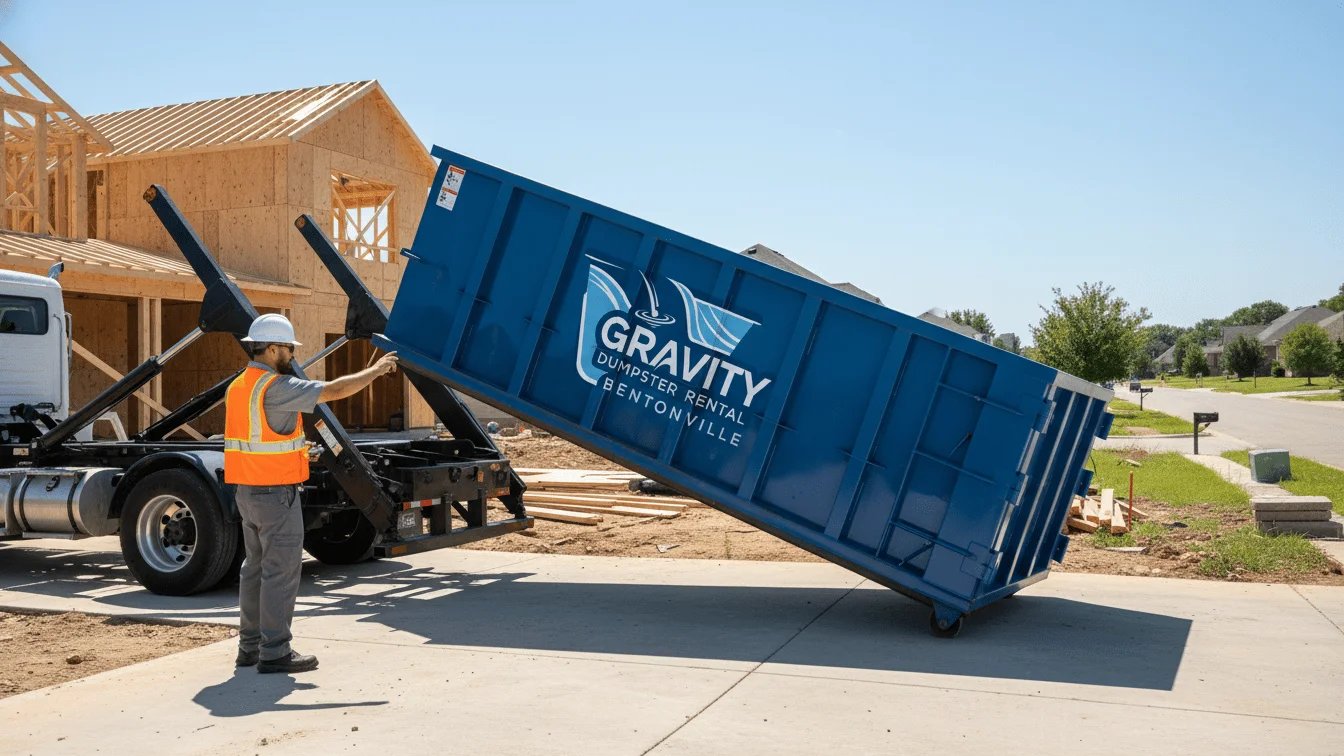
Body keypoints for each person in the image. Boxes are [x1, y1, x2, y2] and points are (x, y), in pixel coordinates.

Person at [225, 314, 398, 674]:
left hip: (248, 492)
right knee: (281, 572)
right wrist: (377, 370)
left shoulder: (240, 385)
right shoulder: (275, 386)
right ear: (271, 348)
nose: (292, 354)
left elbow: (261, 438)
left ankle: (250, 647)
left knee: (254, 569)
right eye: (288, 348)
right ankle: (275, 652)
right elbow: (333, 390)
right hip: (275, 495)